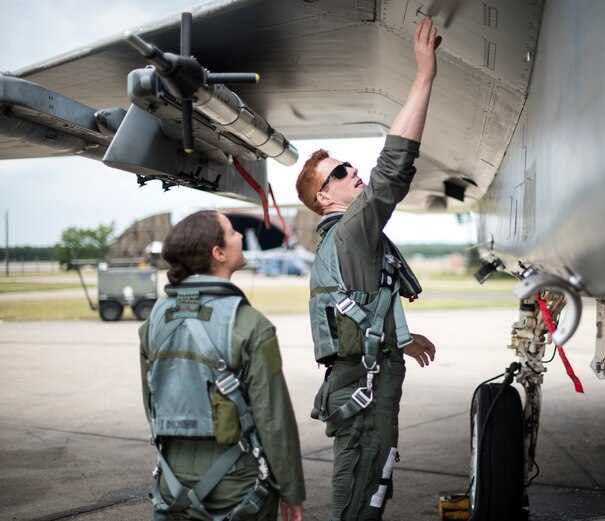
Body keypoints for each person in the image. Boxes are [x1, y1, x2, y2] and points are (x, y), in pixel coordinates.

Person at [295, 17, 440, 521]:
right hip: (363, 384)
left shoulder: (351, 241)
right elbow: (393, 170)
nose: (352, 172)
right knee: (359, 494)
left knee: (369, 488)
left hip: (364, 376)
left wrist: (400, 337)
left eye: (348, 164)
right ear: (323, 197)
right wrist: (423, 77)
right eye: (339, 172)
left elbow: (366, 303)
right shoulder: (352, 229)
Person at [138, 210, 305, 521]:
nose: (240, 236)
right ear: (218, 253)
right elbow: (274, 419)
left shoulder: (155, 320)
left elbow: (152, 401)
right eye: (232, 233)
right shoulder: (250, 324)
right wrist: (291, 489)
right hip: (236, 482)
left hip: (172, 479)